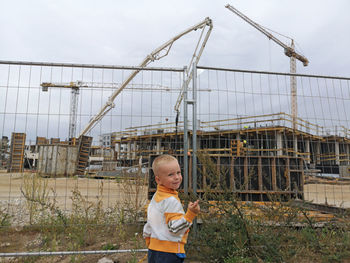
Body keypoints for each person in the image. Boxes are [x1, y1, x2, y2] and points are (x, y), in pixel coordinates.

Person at [143, 154, 200, 263]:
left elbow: (148, 226)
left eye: (178, 172)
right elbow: (175, 228)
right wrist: (190, 214)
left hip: (154, 250)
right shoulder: (171, 201)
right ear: (158, 180)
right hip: (169, 253)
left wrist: (150, 243)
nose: (177, 177)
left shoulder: (156, 198)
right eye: (171, 175)